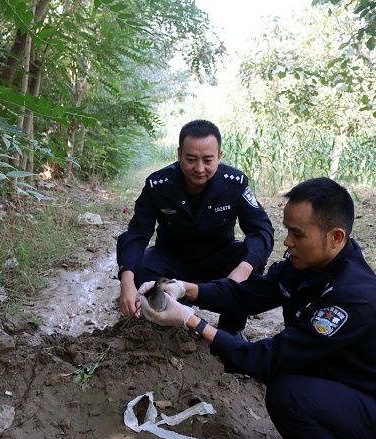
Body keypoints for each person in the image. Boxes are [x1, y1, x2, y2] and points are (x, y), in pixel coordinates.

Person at [137, 177, 376, 439]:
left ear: (336, 237)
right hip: (344, 384)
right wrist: (185, 288)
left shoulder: (354, 297)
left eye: (298, 234)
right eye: (287, 231)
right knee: (299, 437)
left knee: (287, 395)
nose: (287, 242)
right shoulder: (308, 264)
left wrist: (191, 321)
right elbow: (248, 294)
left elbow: (268, 359)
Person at [116, 119, 274, 335]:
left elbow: (261, 229)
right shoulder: (158, 185)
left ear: (219, 156)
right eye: (191, 159)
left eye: (208, 160)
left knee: (250, 260)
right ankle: (163, 320)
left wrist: (243, 269)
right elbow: (137, 233)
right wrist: (126, 281)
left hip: (219, 257)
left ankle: (230, 332)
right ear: (179, 154)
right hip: (172, 257)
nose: (199, 169)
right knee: (141, 265)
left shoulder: (235, 184)